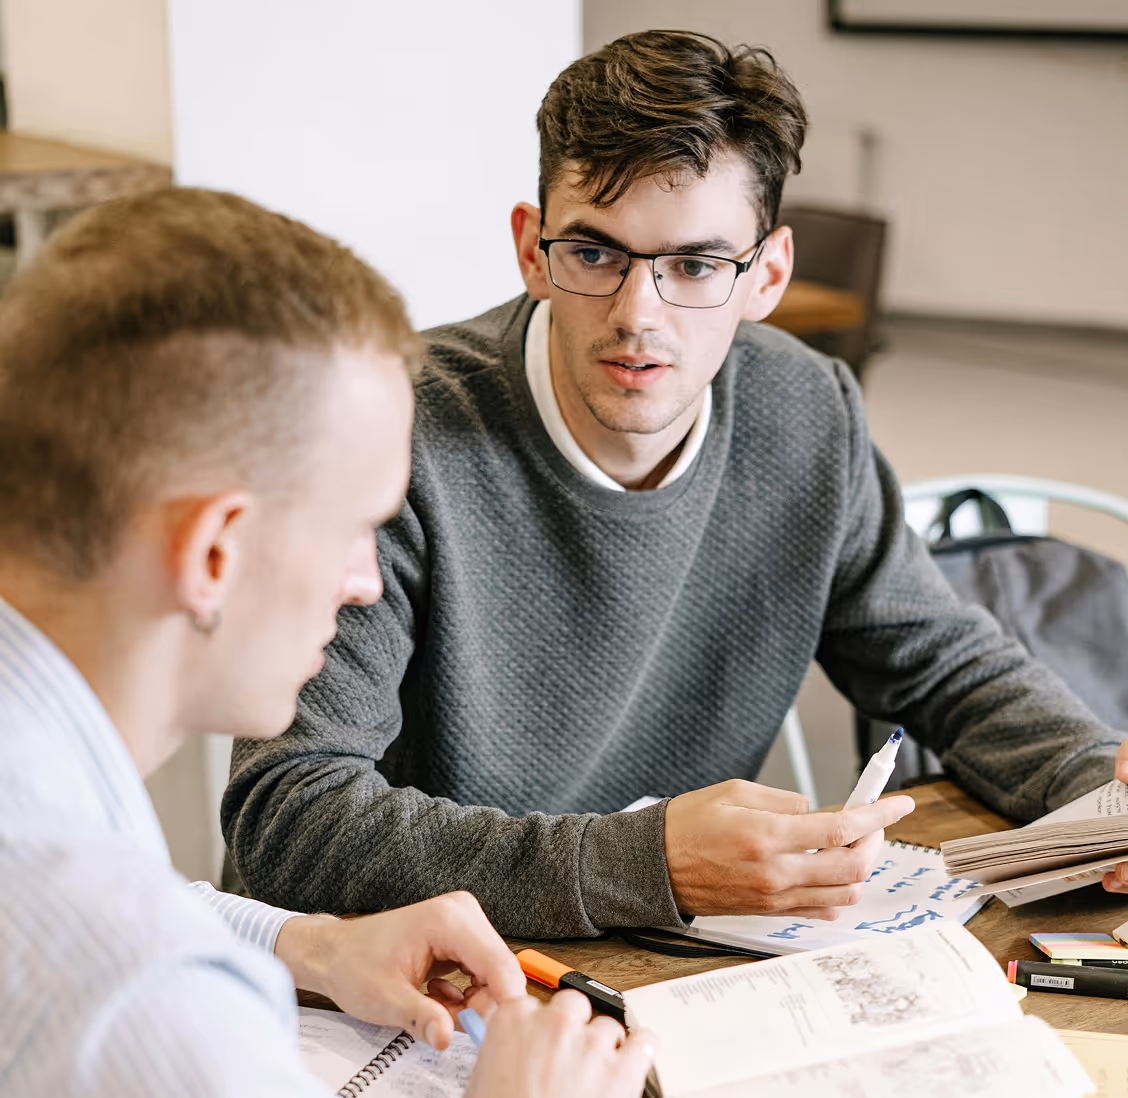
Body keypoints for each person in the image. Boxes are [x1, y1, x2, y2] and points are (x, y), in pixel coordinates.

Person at [223, 29, 1127, 942]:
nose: (637, 316)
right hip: (413, 992)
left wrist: (1101, 789)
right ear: (532, 250)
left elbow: (944, 666)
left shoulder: (806, 409)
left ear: (766, 275)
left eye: (695, 265)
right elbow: (287, 817)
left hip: (677, 967)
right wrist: (646, 862)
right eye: (594, 254)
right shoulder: (388, 434)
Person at [0, 188, 655, 1097]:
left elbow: (119, 898)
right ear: (216, 551)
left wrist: (312, 943)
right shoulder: (145, 999)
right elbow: (114, 943)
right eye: (355, 526)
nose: (367, 581)